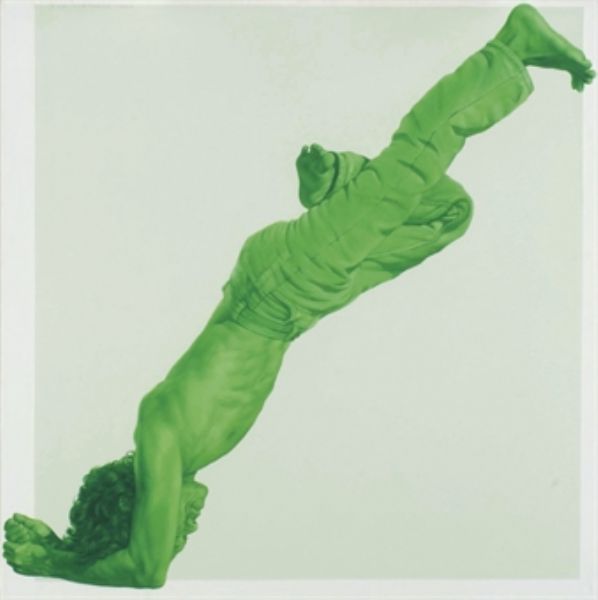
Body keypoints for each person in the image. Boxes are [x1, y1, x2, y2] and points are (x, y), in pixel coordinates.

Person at [3, 3, 594, 588]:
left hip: (281, 287)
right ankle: (339, 177)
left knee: (411, 164)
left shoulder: (159, 436)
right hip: (292, 304)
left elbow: (146, 569)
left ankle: (510, 46)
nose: (185, 531)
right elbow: (144, 556)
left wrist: (53, 562)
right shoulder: (180, 448)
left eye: (172, 531)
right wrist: (64, 547)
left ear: (136, 514)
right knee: (447, 214)